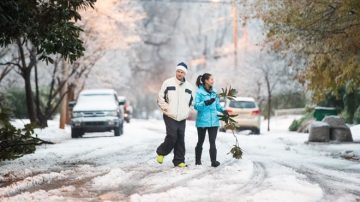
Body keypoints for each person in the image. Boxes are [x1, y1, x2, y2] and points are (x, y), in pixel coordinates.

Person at [156, 62, 195, 168]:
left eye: (182, 72)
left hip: (182, 117)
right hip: (170, 115)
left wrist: (187, 111)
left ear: (185, 74)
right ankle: (161, 152)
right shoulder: (168, 83)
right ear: (176, 71)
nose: (179, 73)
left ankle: (179, 160)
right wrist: (166, 108)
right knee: (172, 136)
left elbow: (192, 102)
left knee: (180, 138)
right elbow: (160, 98)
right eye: (178, 71)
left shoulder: (189, 87)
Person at [194, 73, 227, 167]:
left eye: (213, 79)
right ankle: (197, 161)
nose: (213, 81)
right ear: (206, 80)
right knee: (200, 141)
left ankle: (213, 161)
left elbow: (217, 106)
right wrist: (205, 102)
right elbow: (196, 106)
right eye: (211, 79)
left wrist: (224, 111)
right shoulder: (199, 92)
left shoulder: (214, 92)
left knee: (212, 141)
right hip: (202, 121)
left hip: (214, 121)